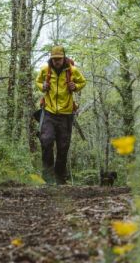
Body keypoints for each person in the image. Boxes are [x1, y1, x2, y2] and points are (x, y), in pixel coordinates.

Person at [35, 45, 86, 184]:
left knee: (63, 146)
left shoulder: (72, 70)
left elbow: (82, 82)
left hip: (66, 113)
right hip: (49, 111)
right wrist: (42, 86)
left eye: (59, 58)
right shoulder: (45, 70)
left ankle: (60, 179)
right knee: (46, 141)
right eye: (54, 59)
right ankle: (47, 178)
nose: (57, 61)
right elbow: (38, 81)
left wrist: (75, 86)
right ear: (51, 58)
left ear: (64, 58)